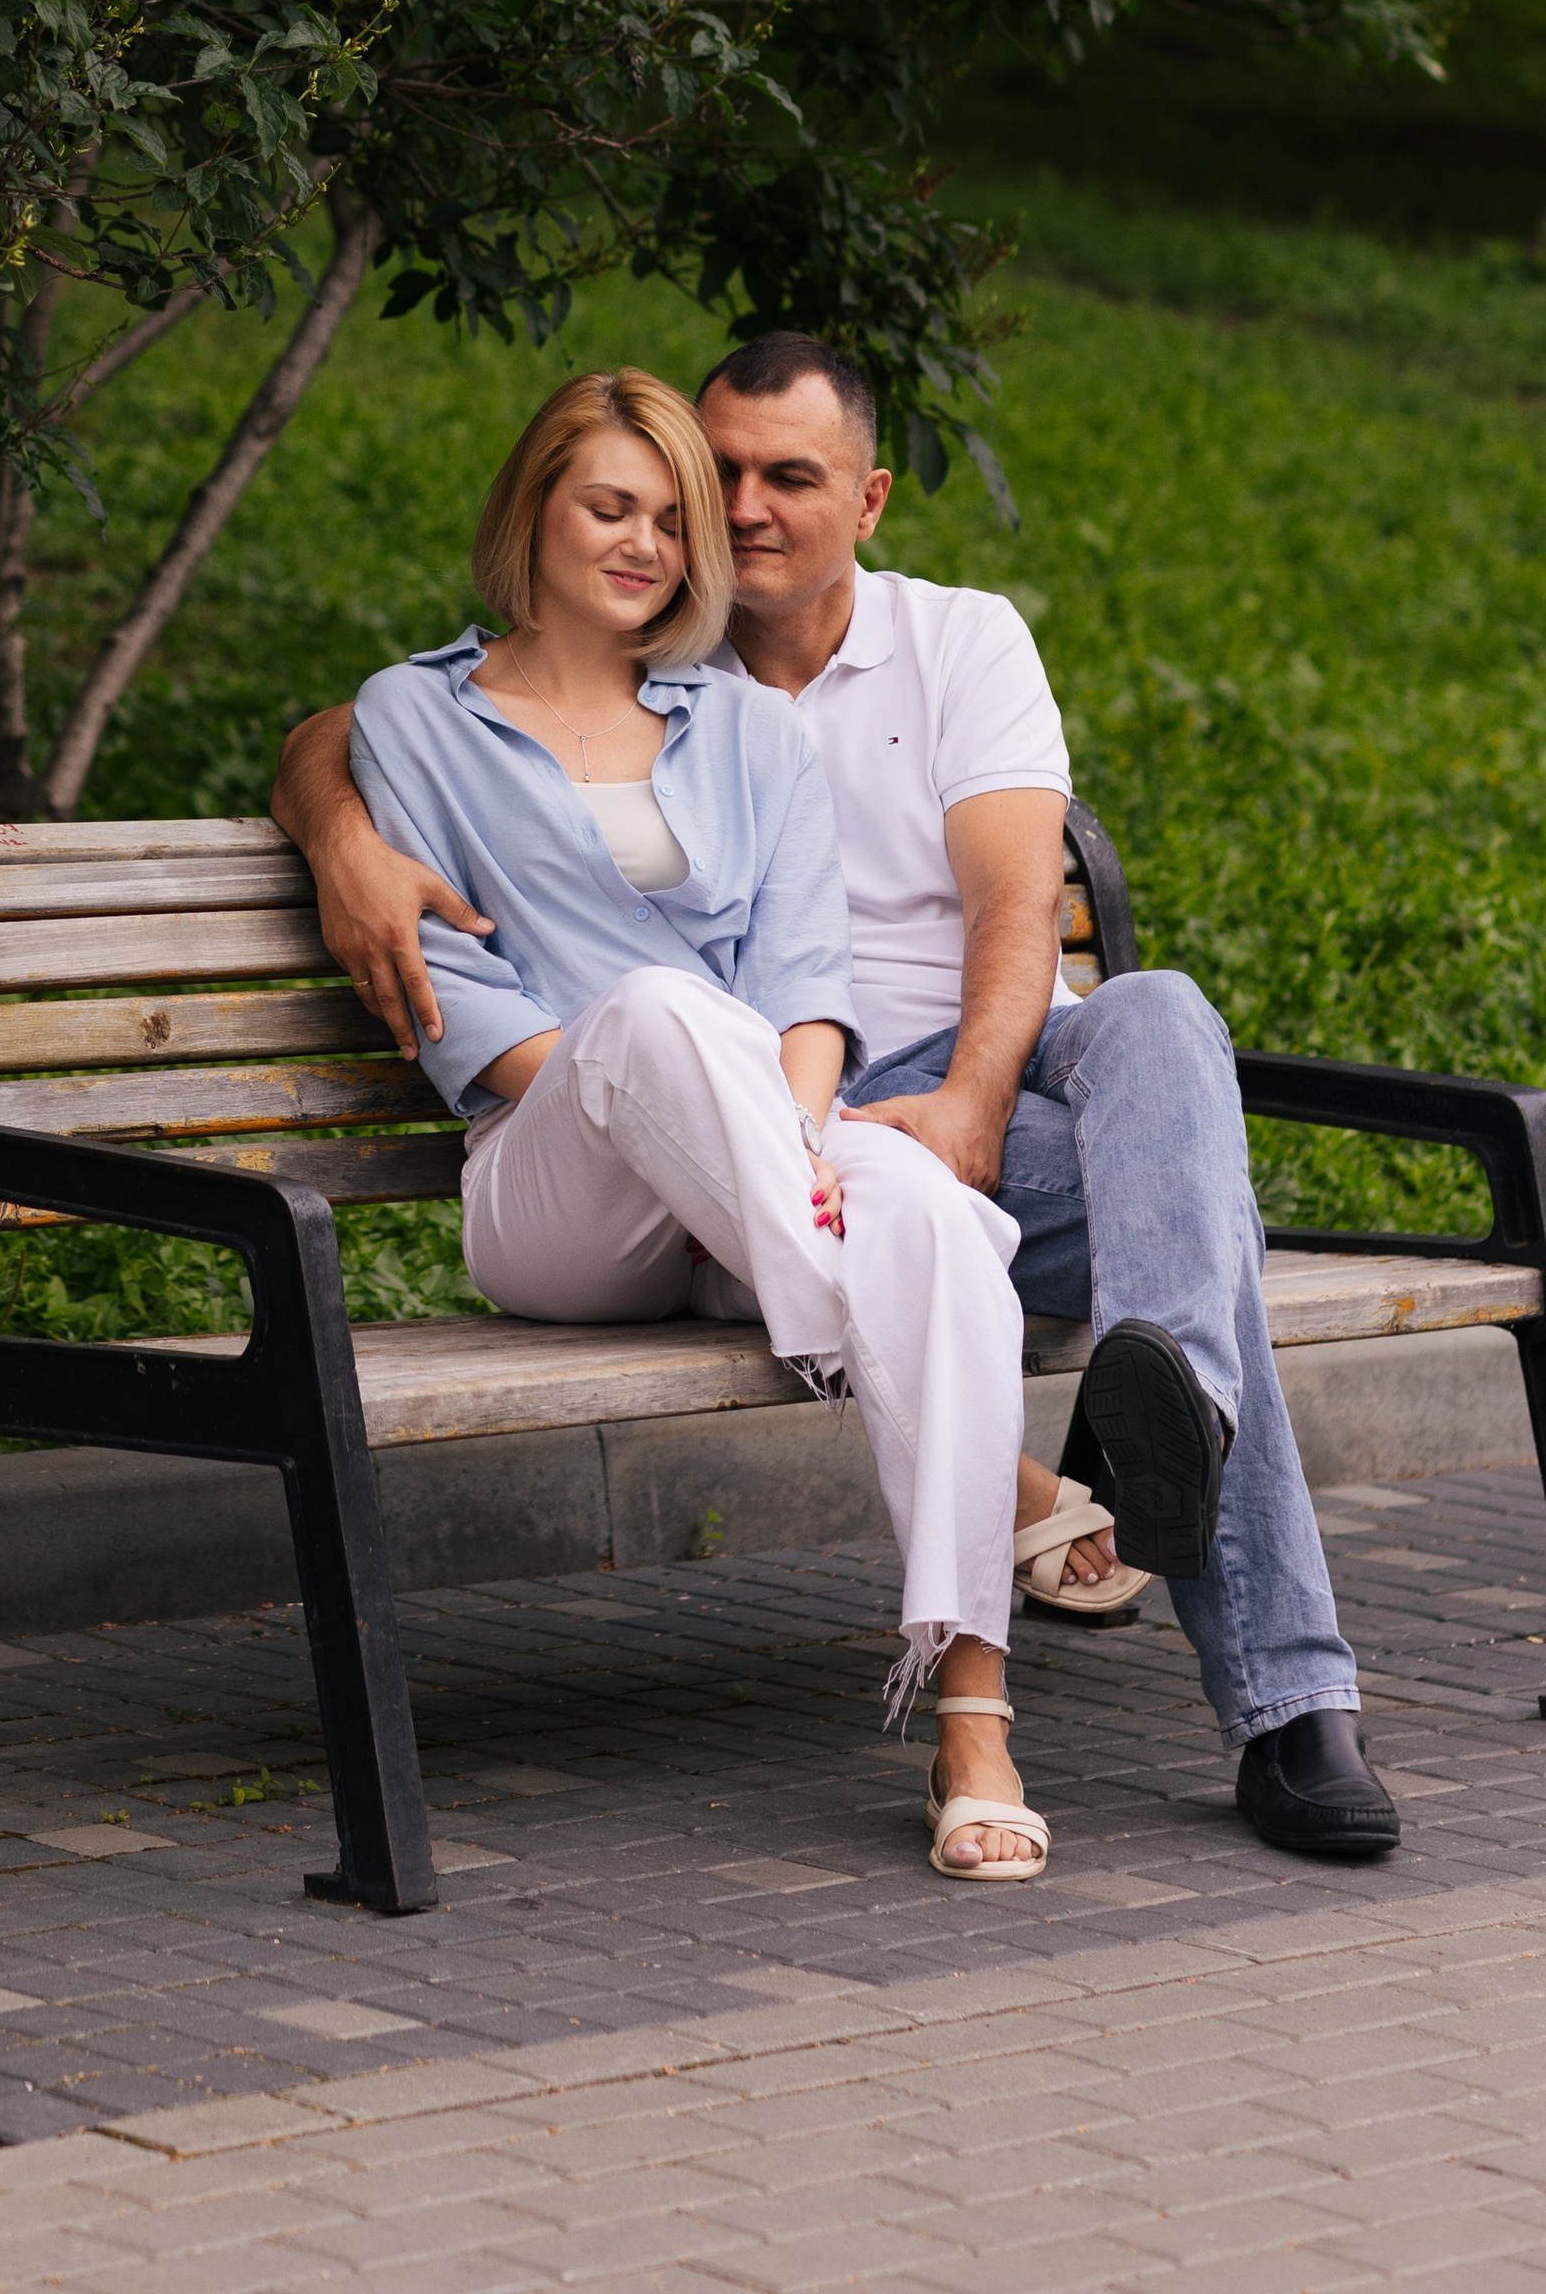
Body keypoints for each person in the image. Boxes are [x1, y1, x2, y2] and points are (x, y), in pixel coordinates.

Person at [275, 332, 1399, 1862]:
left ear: (867, 501)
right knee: (1175, 1238)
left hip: (955, 1086)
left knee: (1159, 1019)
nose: (731, 514)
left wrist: (972, 1106)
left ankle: (1175, 1442)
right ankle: (1247, 1653)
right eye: (705, 478)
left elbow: (1019, 902)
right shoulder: (648, 654)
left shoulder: (951, 643)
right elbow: (373, 729)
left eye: (782, 479)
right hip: (746, 1125)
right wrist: (336, 830)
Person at [340, 361, 1050, 1880]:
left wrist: (781, 1142)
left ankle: (974, 1719)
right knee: (655, 1019)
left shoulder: (746, 730)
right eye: (611, 505)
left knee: (915, 1199)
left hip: (755, 1168)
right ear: (531, 507)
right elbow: (473, 1018)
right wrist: (671, 1108)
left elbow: (805, 992)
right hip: (557, 1191)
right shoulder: (417, 719)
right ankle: (919, 1383)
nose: (648, 543)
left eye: (672, 520)